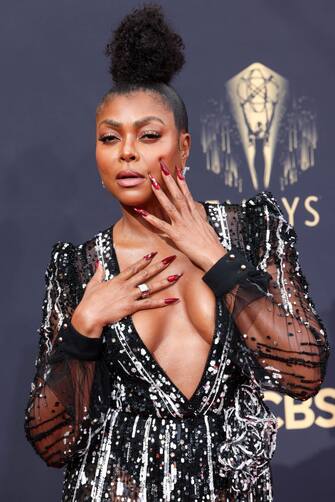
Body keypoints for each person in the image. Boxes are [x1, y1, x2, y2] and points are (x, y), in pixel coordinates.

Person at [24, 4, 330, 501]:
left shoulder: (252, 230)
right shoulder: (80, 267)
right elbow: (52, 443)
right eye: (110, 138)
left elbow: (303, 375)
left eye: (148, 136)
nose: (127, 152)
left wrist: (216, 259)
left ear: (184, 147)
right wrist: (85, 326)